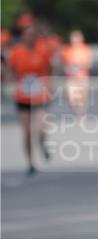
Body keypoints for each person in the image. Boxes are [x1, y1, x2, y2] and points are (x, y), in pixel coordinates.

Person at [7, 22, 53, 175]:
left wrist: (49, 84)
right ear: (23, 37)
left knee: (40, 127)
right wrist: (12, 83)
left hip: (40, 95)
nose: (30, 37)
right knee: (27, 132)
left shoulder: (43, 51)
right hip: (23, 96)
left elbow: (49, 69)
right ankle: (30, 163)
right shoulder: (16, 52)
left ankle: (43, 143)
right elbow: (11, 71)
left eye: (33, 34)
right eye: (27, 34)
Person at [60, 29, 93, 116]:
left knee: (82, 97)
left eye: (77, 38)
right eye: (73, 38)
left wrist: (80, 67)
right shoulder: (66, 50)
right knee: (71, 97)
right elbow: (62, 63)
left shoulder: (85, 49)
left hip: (82, 76)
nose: (75, 40)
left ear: (81, 38)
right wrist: (67, 68)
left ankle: (81, 114)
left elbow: (89, 63)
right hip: (70, 77)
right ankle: (76, 110)